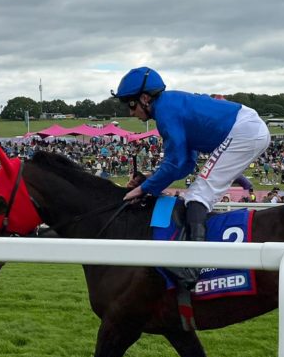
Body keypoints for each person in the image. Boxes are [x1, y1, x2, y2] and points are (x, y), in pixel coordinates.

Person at [111, 66, 270, 241]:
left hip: (244, 131)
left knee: (197, 196)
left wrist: (142, 189)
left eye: (131, 104)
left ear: (144, 98)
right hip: (248, 128)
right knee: (198, 193)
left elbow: (174, 163)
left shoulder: (166, 112)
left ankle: (196, 253)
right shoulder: (170, 105)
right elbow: (186, 164)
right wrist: (150, 179)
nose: (131, 112)